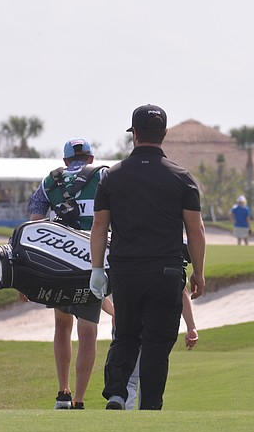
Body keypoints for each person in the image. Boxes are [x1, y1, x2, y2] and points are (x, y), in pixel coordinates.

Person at [89, 104, 206, 411]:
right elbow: (195, 230)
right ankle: (150, 406)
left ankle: (116, 392)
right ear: (164, 134)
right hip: (166, 272)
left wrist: (97, 269)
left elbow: (99, 226)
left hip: (126, 272)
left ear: (135, 134)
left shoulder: (112, 177)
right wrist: (199, 272)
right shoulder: (182, 178)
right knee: (156, 345)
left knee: (126, 333)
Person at [28, 137, 114, 410]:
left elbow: (34, 225)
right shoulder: (104, 176)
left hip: (59, 265)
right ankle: (78, 399)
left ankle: (62, 393)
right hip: (92, 262)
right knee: (87, 331)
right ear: (90, 157)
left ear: (65, 161)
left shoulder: (49, 182)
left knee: (62, 326)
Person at [123, 290, 199, 410]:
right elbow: (181, 290)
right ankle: (145, 413)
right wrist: (191, 327)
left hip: (137, 327)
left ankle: (129, 416)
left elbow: (182, 290)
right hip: (150, 327)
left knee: (132, 379)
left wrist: (191, 327)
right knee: (143, 376)